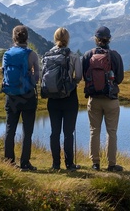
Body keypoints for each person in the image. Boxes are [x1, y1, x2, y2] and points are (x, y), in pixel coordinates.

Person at [82, 26, 124, 172]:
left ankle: (95, 163)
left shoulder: (88, 55)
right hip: (111, 99)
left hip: (93, 99)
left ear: (96, 39)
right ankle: (111, 164)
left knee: (94, 130)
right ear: (109, 39)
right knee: (111, 132)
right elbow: (119, 78)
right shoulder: (115, 55)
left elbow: (84, 77)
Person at [44, 27, 82, 171]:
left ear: (55, 38)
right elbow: (78, 76)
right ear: (68, 39)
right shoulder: (73, 56)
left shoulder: (47, 55)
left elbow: (44, 77)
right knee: (68, 132)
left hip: (52, 98)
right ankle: (70, 164)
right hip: (69, 97)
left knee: (54, 132)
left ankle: (55, 164)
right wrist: (70, 83)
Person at [2, 25, 39, 171]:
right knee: (27, 130)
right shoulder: (32, 54)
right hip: (27, 96)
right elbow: (37, 77)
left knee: (10, 129)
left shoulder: (7, 54)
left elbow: (3, 73)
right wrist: (29, 79)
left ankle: (9, 162)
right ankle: (25, 162)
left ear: (14, 37)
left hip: (11, 96)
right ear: (27, 37)